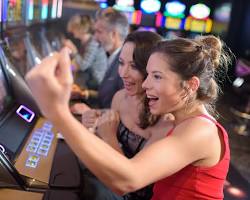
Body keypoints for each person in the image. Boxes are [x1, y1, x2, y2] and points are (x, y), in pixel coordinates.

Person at [26, 35, 232, 199]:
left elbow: (128, 180)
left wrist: (57, 111)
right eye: (148, 74)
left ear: (191, 85)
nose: (145, 84)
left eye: (157, 76)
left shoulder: (200, 130)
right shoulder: (181, 122)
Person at [80, 31, 173, 200]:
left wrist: (108, 137)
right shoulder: (120, 97)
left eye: (134, 66)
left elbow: (134, 185)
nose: (123, 73)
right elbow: (107, 149)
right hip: (111, 179)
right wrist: (94, 122)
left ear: (152, 69)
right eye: (121, 63)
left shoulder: (165, 118)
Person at [64, 14, 107, 90]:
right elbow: (78, 65)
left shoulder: (93, 43)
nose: (71, 31)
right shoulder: (86, 42)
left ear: (80, 29)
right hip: (88, 78)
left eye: (73, 28)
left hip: (96, 82)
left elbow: (83, 66)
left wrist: (74, 51)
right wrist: (67, 68)